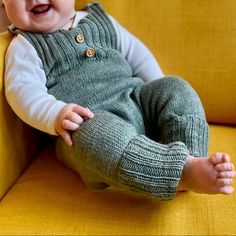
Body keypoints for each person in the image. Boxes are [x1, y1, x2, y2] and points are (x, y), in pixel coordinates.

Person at [3, 0, 236, 200]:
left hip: (136, 99)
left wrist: (156, 90)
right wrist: (55, 114)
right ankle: (180, 172)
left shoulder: (101, 21)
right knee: (94, 136)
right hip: (90, 123)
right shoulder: (25, 47)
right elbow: (23, 92)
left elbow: (138, 54)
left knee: (175, 86)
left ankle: (191, 156)